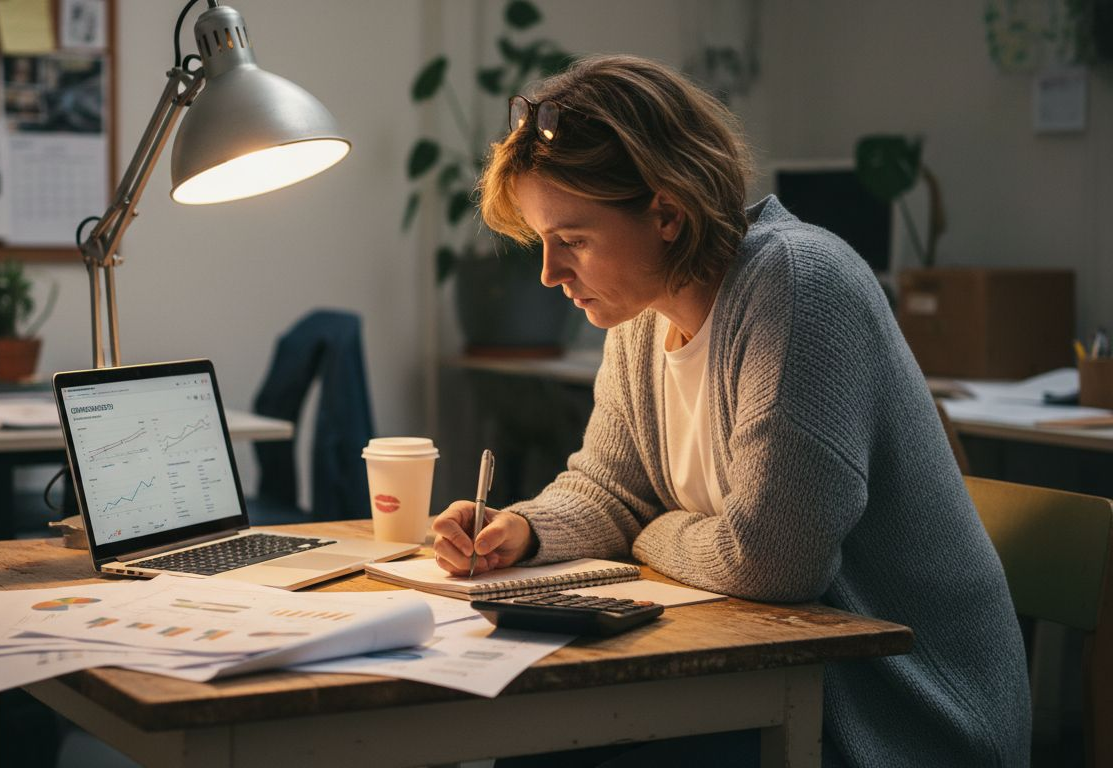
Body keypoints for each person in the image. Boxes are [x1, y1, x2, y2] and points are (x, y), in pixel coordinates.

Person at [431, 54, 1030, 767]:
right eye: (544, 241)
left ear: (667, 214)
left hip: (894, 715)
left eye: (575, 241)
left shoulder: (801, 286)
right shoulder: (641, 319)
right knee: (540, 738)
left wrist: (650, 530)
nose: (551, 273)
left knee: (559, 747)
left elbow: (771, 562)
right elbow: (609, 487)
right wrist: (524, 530)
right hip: (772, 679)